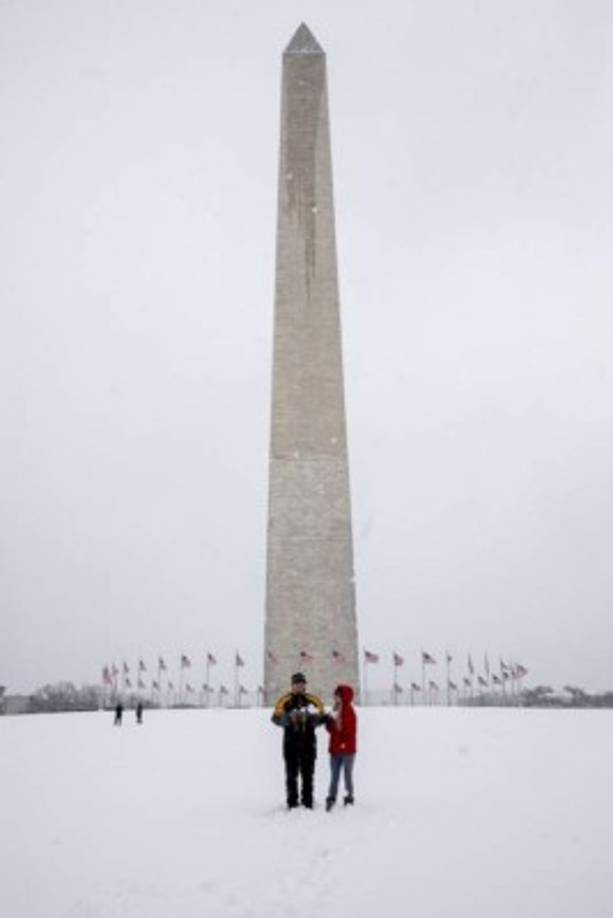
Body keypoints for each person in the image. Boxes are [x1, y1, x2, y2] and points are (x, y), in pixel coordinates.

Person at [271, 672, 326, 809]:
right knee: (291, 775)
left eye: (301, 684)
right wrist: (288, 719)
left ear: (305, 685)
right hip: (290, 744)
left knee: (308, 775)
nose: (299, 686)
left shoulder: (313, 700)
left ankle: (307, 802)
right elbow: (275, 718)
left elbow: (323, 717)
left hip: (309, 744)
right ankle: (292, 802)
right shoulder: (284, 700)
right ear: (292, 685)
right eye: (296, 684)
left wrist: (312, 719)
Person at [325, 684, 357, 811]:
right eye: (335, 695)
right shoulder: (335, 709)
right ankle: (331, 797)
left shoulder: (349, 712)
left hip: (347, 750)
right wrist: (328, 722)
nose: (336, 698)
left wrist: (342, 742)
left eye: (338, 695)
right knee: (334, 775)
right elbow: (332, 730)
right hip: (335, 750)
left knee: (347, 774)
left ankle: (349, 796)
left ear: (344, 697)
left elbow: (348, 731)